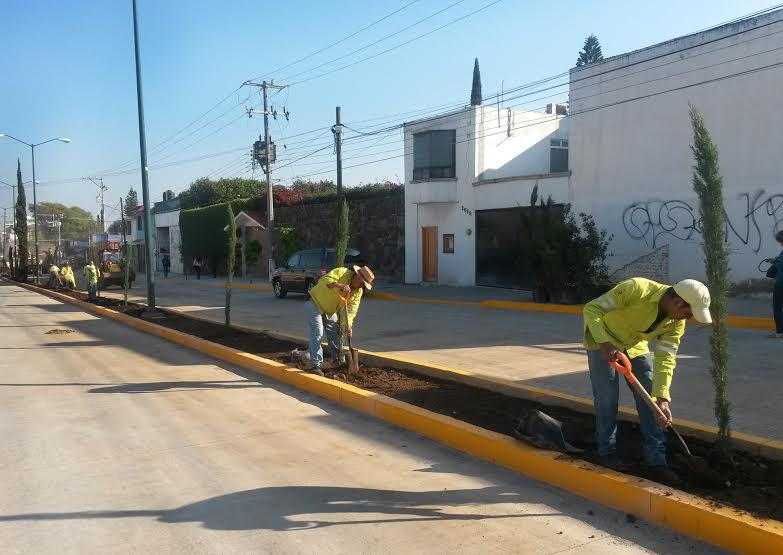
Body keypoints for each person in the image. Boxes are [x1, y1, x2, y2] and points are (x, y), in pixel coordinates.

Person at [583, 277, 712, 485]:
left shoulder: (675, 323)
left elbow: (666, 358)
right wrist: (604, 343)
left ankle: (656, 462)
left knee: (652, 401)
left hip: (634, 346)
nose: (687, 319)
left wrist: (662, 398)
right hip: (602, 342)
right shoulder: (636, 289)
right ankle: (606, 452)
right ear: (678, 303)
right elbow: (592, 308)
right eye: (688, 313)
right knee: (607, 398)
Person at [305, 265, 375, 376]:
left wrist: (348, 325)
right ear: (357, 276)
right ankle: (315, 365)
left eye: (364, 285)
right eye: (362, 283)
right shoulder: (342, 272)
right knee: (318, 331)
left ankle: (337, 361)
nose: (362, 286)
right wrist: (341, 285)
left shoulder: (358, 292)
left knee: (335, 332)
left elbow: (352, 310)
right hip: (315, 302)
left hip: (330, 310)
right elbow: (324, 280)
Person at [768, 230, 783, 338]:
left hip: (781, 284)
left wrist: (774, 261)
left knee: (777, 307)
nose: (781, 244)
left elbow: (781, 265)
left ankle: (780, 332)